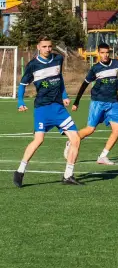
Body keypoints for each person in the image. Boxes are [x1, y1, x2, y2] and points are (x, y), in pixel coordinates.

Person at [13, 36, 82, 187]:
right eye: (44, 46)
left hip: (58, 108)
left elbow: (60, 78)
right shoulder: (32, 65)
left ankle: (68, 175)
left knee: (76, 139)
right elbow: (22, 84)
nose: (47, 49)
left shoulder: (58, 59)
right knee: (39, 140)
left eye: (50, 46)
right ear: (38, 47)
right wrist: (20, 101)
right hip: (42, 108)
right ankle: (20, 171)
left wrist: (64, 95)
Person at [67, 43, 118, 165]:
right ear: (98, 53)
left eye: (107, 52)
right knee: (90, 129)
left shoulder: (116, 64)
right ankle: (71, 141)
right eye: (102, 53)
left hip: (113, 102)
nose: (105, 55)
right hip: (98, 102)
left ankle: (103, 156)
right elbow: (84, 85)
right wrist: (76, 102)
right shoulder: (95, 68)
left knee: (117, 129)